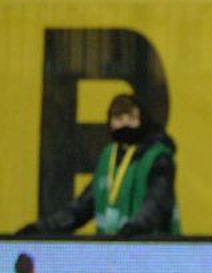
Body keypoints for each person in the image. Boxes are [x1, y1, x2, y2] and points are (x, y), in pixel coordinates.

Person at [18, 94, 180, 238]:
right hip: (111, 253)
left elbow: (157, 203)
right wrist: (43, 228)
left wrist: (135, 229)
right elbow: (81, 208)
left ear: (143, 120)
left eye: (131, 117)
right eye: (118, 118)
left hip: (153, 252)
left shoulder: (158, 158)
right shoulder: (109, 156)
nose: (124, 123)